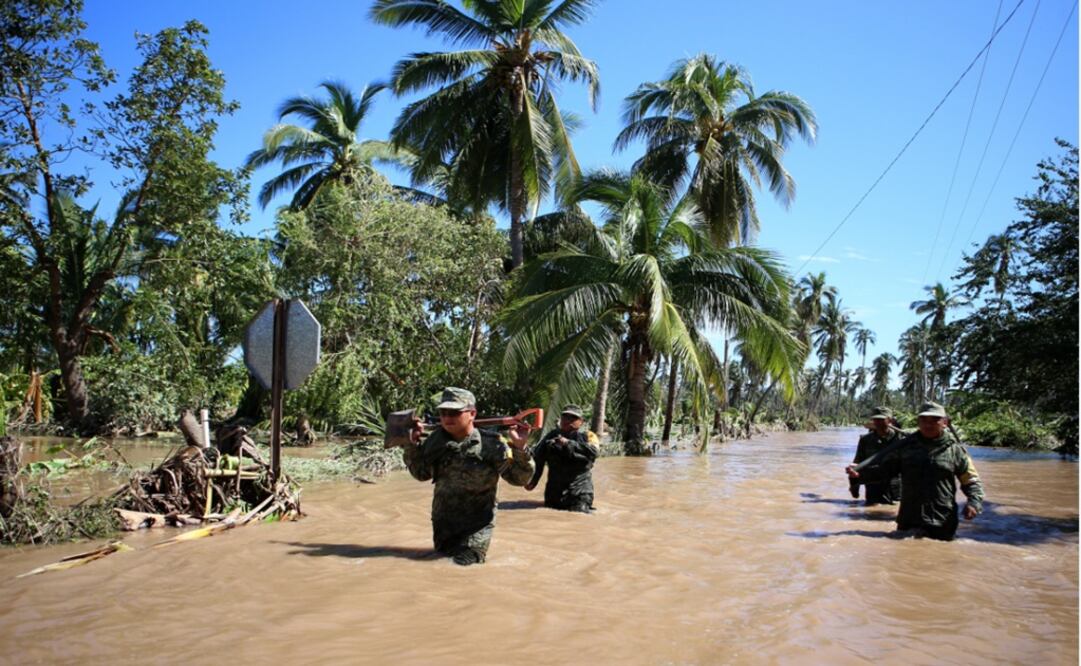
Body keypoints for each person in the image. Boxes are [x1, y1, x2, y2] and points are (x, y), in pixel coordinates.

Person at [404, 387, 534, 565]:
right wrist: (411, 446)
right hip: (443, 524)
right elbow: (421, 474)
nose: (448, 418)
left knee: (462, 568)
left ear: (472, 413)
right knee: (439, 570)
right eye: (443, 413)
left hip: (477, 528)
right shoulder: (435, 441)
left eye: (455, 413)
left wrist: (520, 448)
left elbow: (520, 480)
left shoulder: (491, 445)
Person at [846, 401, 984, 541]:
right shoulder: (905, 447)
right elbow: (885, 471)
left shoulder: (955, 451)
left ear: (945, 422)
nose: (928, 425)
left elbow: (971, 480)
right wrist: (859, 475)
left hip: (942, 520)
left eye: (934, 420)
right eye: (924, 420)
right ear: (918, 422)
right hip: (909, 518)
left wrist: (974, 502)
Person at [525, 404, 599, 513]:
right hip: (554, 494)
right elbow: (538, 459)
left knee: (578, 521)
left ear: (581, 422)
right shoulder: (551, 436)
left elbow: (595, 452)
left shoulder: (588, 436)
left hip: (579, 493)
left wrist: (569, 443)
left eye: (573, 418)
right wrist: (532, 481)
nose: (568, 420)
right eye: (565, 417)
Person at [849, 406, 903, 505]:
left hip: (894, 486)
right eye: (876, 419)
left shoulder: (901, 440)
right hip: (873, 485)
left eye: (881, 420)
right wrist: (854, 487)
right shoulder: (865, 440)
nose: (878, 422)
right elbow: (857, 464)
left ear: (889, 420)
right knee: (870, 510)